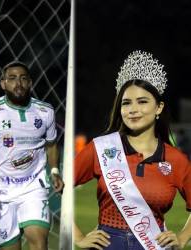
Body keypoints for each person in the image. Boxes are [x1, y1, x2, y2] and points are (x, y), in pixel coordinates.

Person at [74, 51, 191, 250]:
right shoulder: (101, 148)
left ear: (159, 107)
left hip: (154, 244)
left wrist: (182, 238)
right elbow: (58, 187)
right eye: (126, 103)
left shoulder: (176, 159)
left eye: (142, 101)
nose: (133, 109)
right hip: (108, 244)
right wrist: (77, 237)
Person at [0, 61, 64, 250]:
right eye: (12, 79)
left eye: (23, 78)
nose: (18, 83)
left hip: (34, 187)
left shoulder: (45, 111)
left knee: (38, 239)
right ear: (3, 84)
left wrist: (54, 170)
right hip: (1, 190)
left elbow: (51, 145)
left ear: (30, 83)